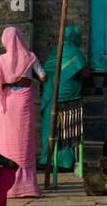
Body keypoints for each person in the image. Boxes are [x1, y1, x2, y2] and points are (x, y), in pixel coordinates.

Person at [0, 25, 47, 198]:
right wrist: (26, 78)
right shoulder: (30, 57)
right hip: (24, 104)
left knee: (8, 141)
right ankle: (27, 186)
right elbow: (43, 76)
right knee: (24, 141)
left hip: (8, 104)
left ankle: (8, 183)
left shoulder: (2, 59)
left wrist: (10, 82)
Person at [38, 24, 89, 169]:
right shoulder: (74, 51)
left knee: (51, 129)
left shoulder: (56, 51)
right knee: (66, 129)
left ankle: (47, 159)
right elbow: (86, 73)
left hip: (51, 95)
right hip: (67, 97)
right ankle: (64, 162)